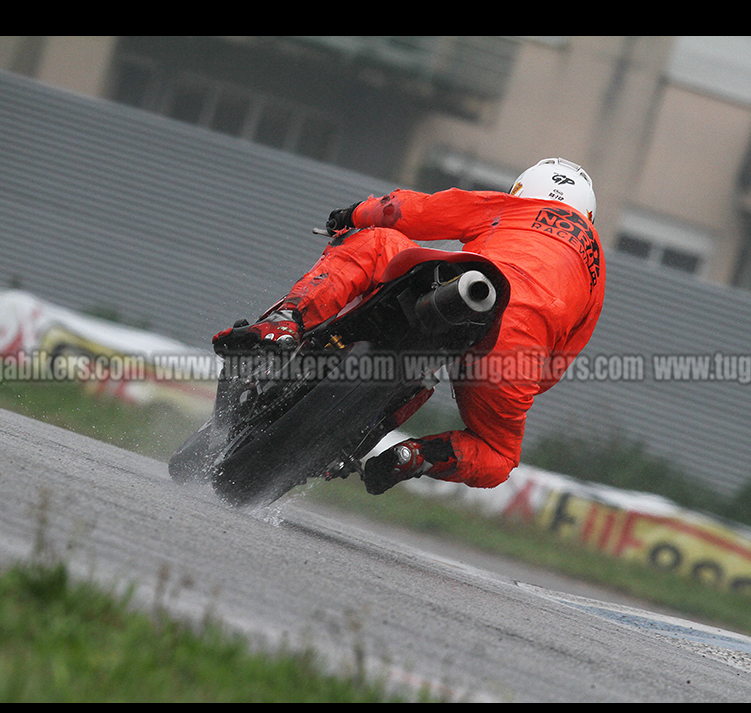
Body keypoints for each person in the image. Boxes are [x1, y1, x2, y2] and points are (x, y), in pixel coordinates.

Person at [213, 157, 606, 495]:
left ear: (521, 190)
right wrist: (510, 378)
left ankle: (286, 323)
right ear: (587, 215)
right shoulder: (596, 271)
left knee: (376, 241)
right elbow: (555, 365)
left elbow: (409, 211)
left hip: (466, 283)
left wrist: (353, 213)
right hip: (515, 350)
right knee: (499, 455)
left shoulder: (515, 208)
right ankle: (416, 457)